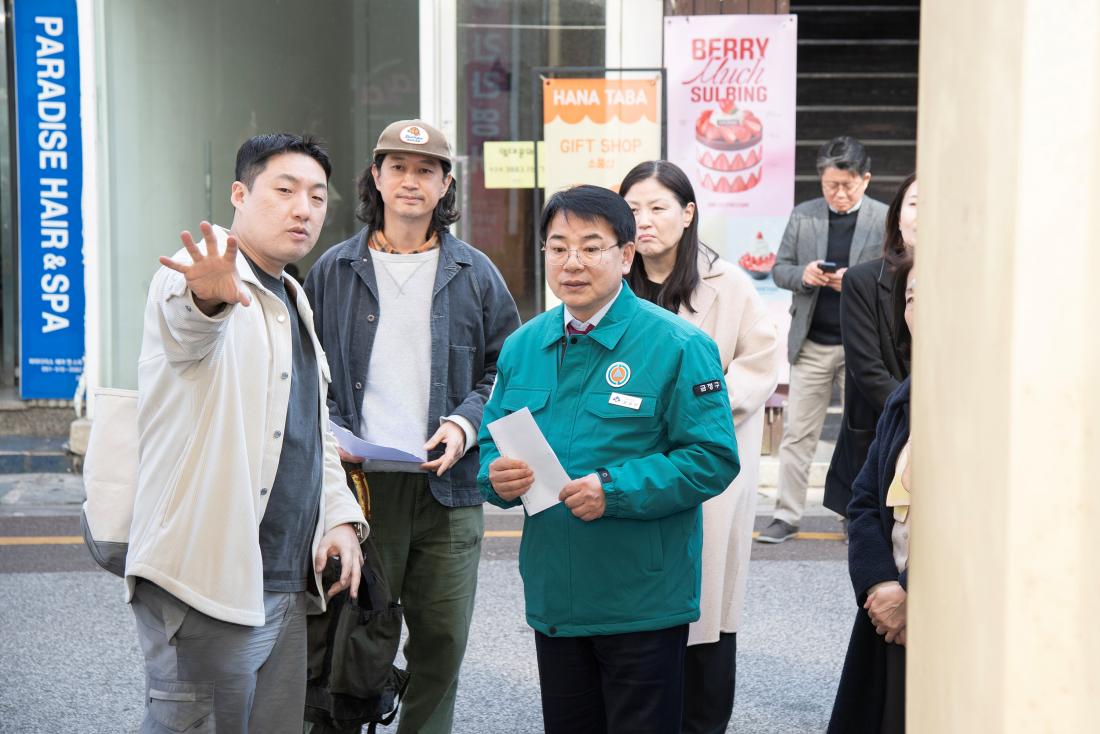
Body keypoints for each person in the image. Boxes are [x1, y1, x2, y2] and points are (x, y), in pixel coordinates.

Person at [127, 133, 368, 733]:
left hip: (286, 581)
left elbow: (310, 431)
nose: (303, 209)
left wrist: (338, 514)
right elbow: (190, 321)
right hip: (207, 581)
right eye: (284, 191)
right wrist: (206, 298)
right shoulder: (197, 279)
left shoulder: (291, 296)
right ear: (239, 193)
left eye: (316, 197)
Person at [478, 184, 740, 734]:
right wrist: (494, 477)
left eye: (591, 246)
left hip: (641, 599)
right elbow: (490, 442)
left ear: (625, 255)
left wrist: (613, 488)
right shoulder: (524, 345)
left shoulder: (677, 345)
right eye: (557, 247)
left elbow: (712, 458)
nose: (572, 262)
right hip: (556, 595)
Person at [304, 119, 520, 734]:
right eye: (397, 167)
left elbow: (506, 369)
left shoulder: (475, 272)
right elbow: (307, 373)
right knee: (353, 640)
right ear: (376, 176)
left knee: (442, 645)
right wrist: (336, 437)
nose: (410, 180)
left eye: (426, 169)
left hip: (448, 490)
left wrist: (465, 424)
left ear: (445, 182)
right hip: (360, 488)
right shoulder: (333, 270)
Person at [619, 160, 779, 733]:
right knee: (634, 605)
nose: (644, 220)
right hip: (628, 462)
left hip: (705, 467)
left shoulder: (727, 284)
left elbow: (761, 364)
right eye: (633, 208)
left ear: (687, 215)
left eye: (658, 207)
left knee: (706, 607)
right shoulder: (612, 282)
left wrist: (690, 409)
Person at [759, 136, 888, 543]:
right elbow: (779, 269)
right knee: (798, 432)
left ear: (865, 180)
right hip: (812, 340)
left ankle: (858, 513)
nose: (838, 193)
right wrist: (805, 275)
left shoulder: (884, 218)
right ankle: (786, 514)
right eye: (830, 185)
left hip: (863, 345)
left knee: (863, 431)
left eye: (847, 185)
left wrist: (856, 280)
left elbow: (896, 272)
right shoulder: (804, 215)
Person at [828, 256, 915, 733]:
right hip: (887, 609)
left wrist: (913, 595)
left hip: (950, 613)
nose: (920, 308)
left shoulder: (993, 402)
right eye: (910, 298)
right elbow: (863, 502)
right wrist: (880, 584)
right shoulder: (905, 398)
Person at [824, 175, 916, 518]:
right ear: (896, 217)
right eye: (916, 204)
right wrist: (918, 419)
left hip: (948, 445)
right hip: (880, 435)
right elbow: (868, 370)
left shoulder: (972, 284)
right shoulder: (862, 280)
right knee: (876, 559)